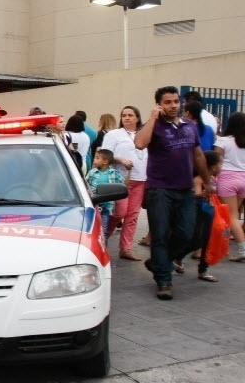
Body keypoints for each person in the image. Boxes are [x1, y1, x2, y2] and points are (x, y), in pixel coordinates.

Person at [135, 85, 212, 300]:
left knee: (187, 233)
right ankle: (164, 280)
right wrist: (152, 118)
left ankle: (157, 262)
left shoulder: (189, 125)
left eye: (176, 101)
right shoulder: (153, 125)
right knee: (160, 235)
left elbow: (198, 155)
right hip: (159, 190)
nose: (173, 106)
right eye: (167, 102)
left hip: (185, 189)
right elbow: (140, 143)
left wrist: (207, 181)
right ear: (159, 105)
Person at [103, 105, 148, 260]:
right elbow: (104, 155)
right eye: (124, 115)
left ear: (137, 118)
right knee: (119, 213)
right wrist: (120, 159)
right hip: (120, 179)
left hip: (140, 178)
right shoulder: (114, 134)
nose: (127, 118)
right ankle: (102, 238)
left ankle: (126, 248)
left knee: (132, 215)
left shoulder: (144, 134)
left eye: (130, 115)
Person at [174, 150, 222, 282]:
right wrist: (205, 193)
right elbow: (195, 195)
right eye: (220, 164)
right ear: (213, 167)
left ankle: (203, 270)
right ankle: (177, 256)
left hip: (209, 212)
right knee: (197, 240)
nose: (222, 167)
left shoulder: (212, 178)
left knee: (207, 241)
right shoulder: (199, 179)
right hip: (198, 211)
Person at [215, 111, 245, 262]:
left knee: (230, 216)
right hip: (244, 179)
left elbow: (216, 162)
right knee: (232, 214)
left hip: (227, 179)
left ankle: (242, 249)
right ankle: (224, 244)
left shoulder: (223, 141)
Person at [85, 149, 125, 238]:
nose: (94, 160)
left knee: (103, 232)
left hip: (106, 208)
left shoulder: (114, 173)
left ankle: (103, 245)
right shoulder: (92, 172)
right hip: (93, 206)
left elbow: (123, 184)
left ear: (105, 162)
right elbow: (85, 184)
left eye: (97, 158)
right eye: (95, 158)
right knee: (89, 229)